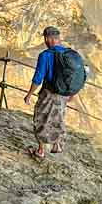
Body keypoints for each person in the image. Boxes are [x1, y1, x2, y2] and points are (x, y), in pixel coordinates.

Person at [24, 26, 72, 159]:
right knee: (59, 117)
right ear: (59, 38)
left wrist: (29, 94)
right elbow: (80, 75)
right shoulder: (69, 54)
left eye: (46, 38)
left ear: (48, 39)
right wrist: (72, 94)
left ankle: (40, 150)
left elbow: (38, 78)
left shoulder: (45, 55)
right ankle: (57, 145)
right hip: (64, 94)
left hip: (48, 93)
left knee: (40, 118)